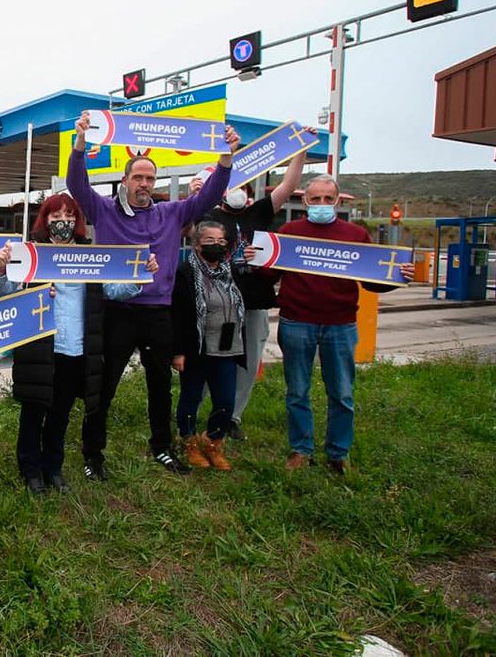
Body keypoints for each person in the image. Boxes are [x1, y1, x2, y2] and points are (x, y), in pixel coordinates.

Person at [67, 111, 241, 478]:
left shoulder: (172, 213)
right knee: (104, 386)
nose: (144, 183)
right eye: (138, 177)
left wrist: (225, 159)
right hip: (117, 311)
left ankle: (162, 447)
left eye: (150, 177)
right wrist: (80, 144)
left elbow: (210, 193)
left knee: (160, 386)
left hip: (158, 313)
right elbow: (76, 183)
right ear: (126, 180)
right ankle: (92, 455)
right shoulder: (104, 209)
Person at [0, 194, 158, 494]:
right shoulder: (31, 254)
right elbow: (4, 289)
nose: (63, 222)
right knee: (33, 413)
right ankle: (30, 472)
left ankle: (53, 468)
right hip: (40, 348)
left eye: (69, 215)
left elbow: (115, 290)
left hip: (76, 348)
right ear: (45, 220)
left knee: (60, 413)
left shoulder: (89, 255)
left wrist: (140, 274)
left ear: (77, 221)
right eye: (56, 216)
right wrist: (1, 267)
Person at [262, 176, 414, 474]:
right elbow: (269, 277)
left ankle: (338, 453)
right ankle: (300, 450)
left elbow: (372, 281)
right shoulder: (289, 232)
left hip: (340, 325)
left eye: (327, 199)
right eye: (315, 199)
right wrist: (258, 261)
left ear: (337, 201)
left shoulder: (355, 234)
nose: (321, 205)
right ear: (304, 202)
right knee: (297, 392)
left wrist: (398, 277)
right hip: (296, 322)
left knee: (342, 393)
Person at [196, 128, 314, 441]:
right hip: (218, 302)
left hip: (254, 301)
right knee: (213, 356)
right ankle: (202, 409)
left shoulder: (259, 211)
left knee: (247, 361)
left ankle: (233, 417)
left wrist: (300, 149)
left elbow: (289, 186)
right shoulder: (209, 213)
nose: (237, 190)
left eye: (242, 185)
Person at [171, 221, 244, 471]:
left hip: (228, 347)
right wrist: (178, 351)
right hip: (197, 348)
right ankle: (188, 440)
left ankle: (214, 441)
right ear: (197, 245)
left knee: (225, 400)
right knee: (191, 397)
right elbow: (178, 314)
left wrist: (257, 262)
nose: (216, 245)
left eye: (221, 241)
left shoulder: (232, 270)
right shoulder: (186, 272)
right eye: (210, 241)